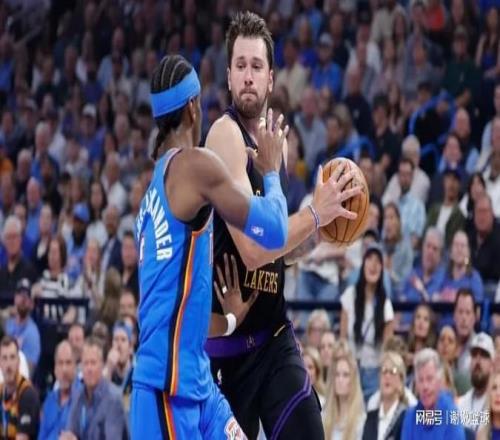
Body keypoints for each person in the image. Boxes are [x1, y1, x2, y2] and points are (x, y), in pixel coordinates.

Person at [204, 11, 361, 440]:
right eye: (240, 65)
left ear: (271, 78)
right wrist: (313, 214)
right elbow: (255, 249)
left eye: (257, 66)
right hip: (226, 354)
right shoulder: (224, 136)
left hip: (273, 340)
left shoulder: (277, 142)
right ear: (228, 76)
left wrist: (319, 234)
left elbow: (279, 253)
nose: (248, 76)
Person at [129, 51, 297, 440]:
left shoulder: (154, 193)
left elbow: (178, 310)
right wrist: (270, 172)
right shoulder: (194, 165)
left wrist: (232, 320)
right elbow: (272, 230)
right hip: (166, 391)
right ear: (193, 106)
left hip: (199, 386)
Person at [340, 244, 394, 401]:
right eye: (369, 259)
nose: (373, 265)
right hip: (351, 368)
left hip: (373, 373)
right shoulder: (350, 296)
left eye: (378, 261)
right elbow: (342, 340)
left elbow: (387, 350)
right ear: (363, 264)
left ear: (382, 269)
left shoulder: (386, 306)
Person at [62, 337, 127, 440]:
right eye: (86, 363)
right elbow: (70, 432)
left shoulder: (113, 399)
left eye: (93, 363)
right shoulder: (77, 396)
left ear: (102, 365)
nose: (89, 369)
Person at [401, 348, 465, 439]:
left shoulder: (451, 416)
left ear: (439, 381)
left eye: (429, 379)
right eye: (420, 380)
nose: (425, 386)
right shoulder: (410, 416)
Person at [38, 340, 81, 440]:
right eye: (60, 363)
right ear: (55, 369)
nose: (64, 369)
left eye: (68, 363)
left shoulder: (85, 399)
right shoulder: (49, 401)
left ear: (75, 366)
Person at [362, 351, 408, 440]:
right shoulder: (370, 418)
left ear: (401, 380)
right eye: (384, 371)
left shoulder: (407, 417)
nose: (387, 376)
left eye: (393, 371)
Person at [0, 336, 40, 439]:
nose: (8, 365)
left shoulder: (28, 394)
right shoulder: (1, 391)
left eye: (12, 357)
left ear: (18, 361)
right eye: (4, 358)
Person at [322, 351, 366, 439]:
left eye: (346, 375)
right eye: (337, 374)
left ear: (353, 380)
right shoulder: (324, 416)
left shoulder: (361, 421)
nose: (340, 380)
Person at [457, 332, 494, 432]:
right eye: (474, 355)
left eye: (484, 355)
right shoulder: (461, 403)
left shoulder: (496, 402)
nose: (478, 360)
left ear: (492, 364)